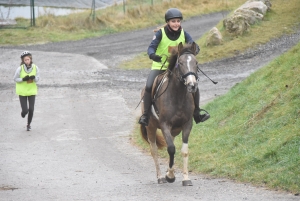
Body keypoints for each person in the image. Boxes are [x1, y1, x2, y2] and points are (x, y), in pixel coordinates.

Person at [138, 8, 210, 126]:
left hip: (178, 68)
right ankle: (146, 115)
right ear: (168, 22)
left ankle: (197, 113)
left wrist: (196, 49)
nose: (176, 24)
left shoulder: (184, 34)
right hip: (160, 66)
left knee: (194, 84)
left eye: (178, 21)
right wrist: (152, 55)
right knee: (149, 85)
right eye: (173, 21)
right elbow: (151, 47)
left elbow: (193, 44)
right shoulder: (160, 33)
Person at [13, 51, 40, 131]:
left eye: (28, 59)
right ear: (23, 61)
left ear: (30, 59)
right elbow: (15, 79)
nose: (27, 61)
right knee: (25, 110)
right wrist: (23, 79)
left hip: (32, 91)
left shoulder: (35, 67)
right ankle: (23, 113)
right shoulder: (20, 68)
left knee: (31, 109)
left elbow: (37, 79)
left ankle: (28, 124)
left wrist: (34, 78)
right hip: (22, 92)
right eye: (25, 60)